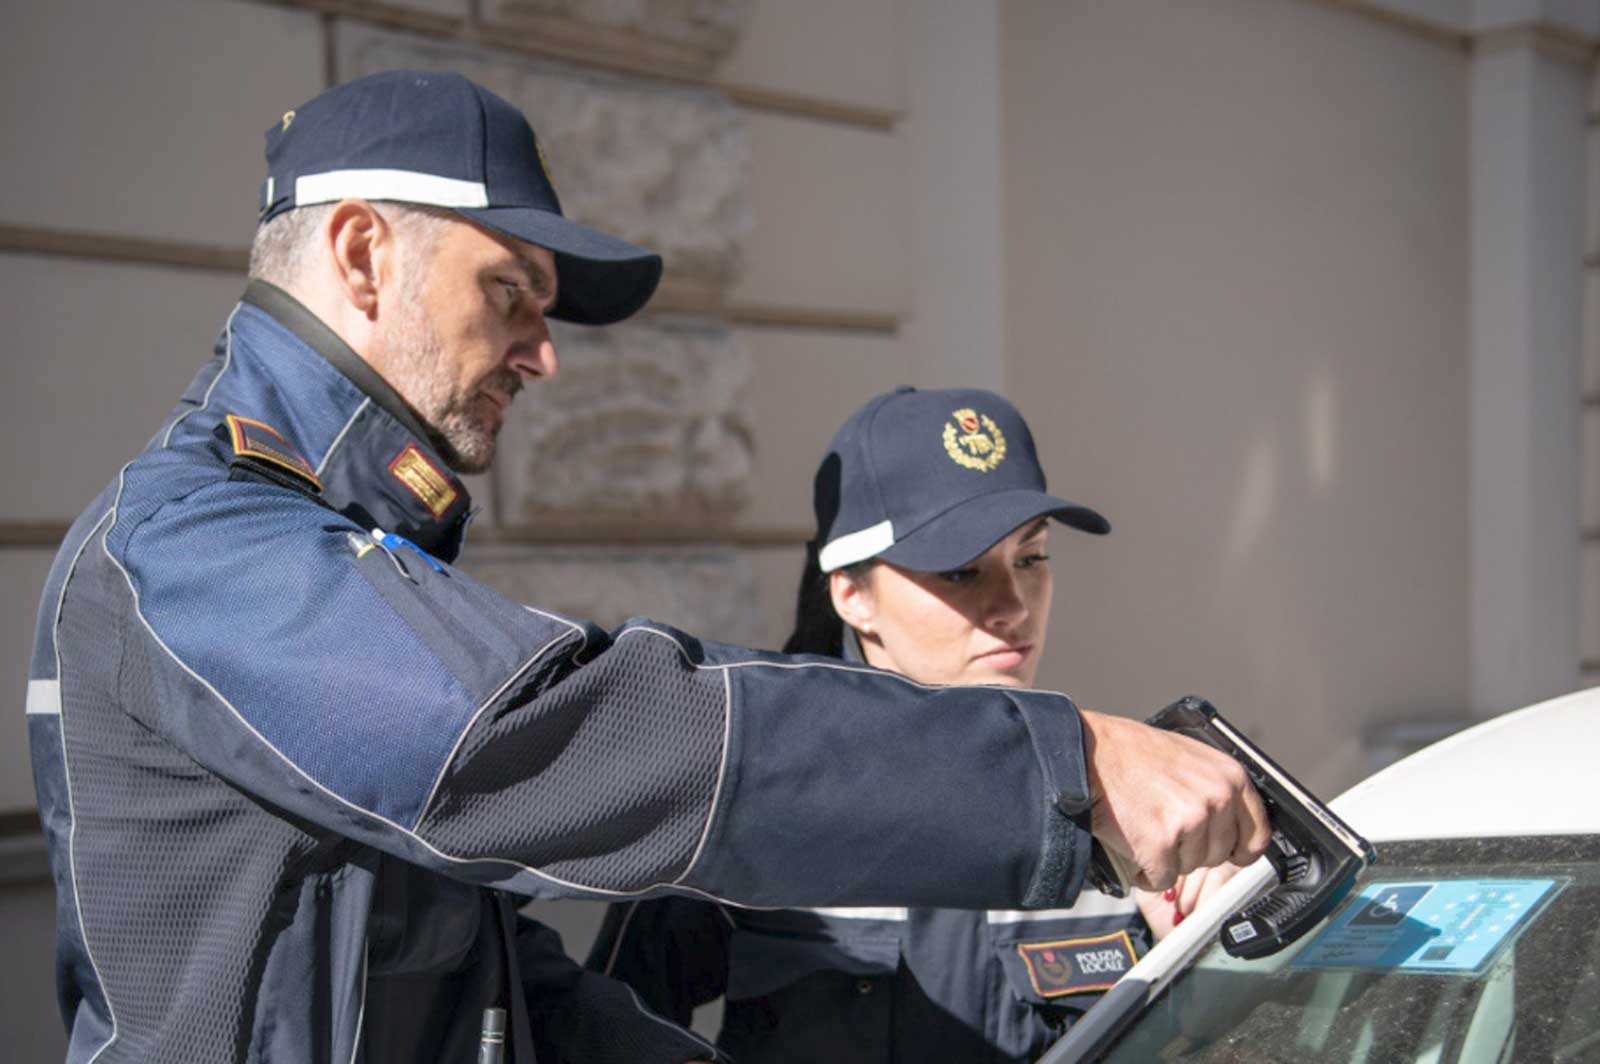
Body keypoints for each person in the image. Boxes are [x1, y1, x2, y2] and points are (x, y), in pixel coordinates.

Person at [25, 72, 1269, 1063]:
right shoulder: (199, 547)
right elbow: (562, 735)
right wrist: (1065, 764)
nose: (541, 353)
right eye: (511, 291)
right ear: (359, 253)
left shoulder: (332, 549)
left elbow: (477, 966)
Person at [589, 387, 1244, 1061]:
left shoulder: (1129, 812)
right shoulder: (748, 798)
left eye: (1031, 558)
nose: (1012, 605)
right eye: (961, 570)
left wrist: (1204, 973)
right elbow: (604, 1028)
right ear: (852, 593)